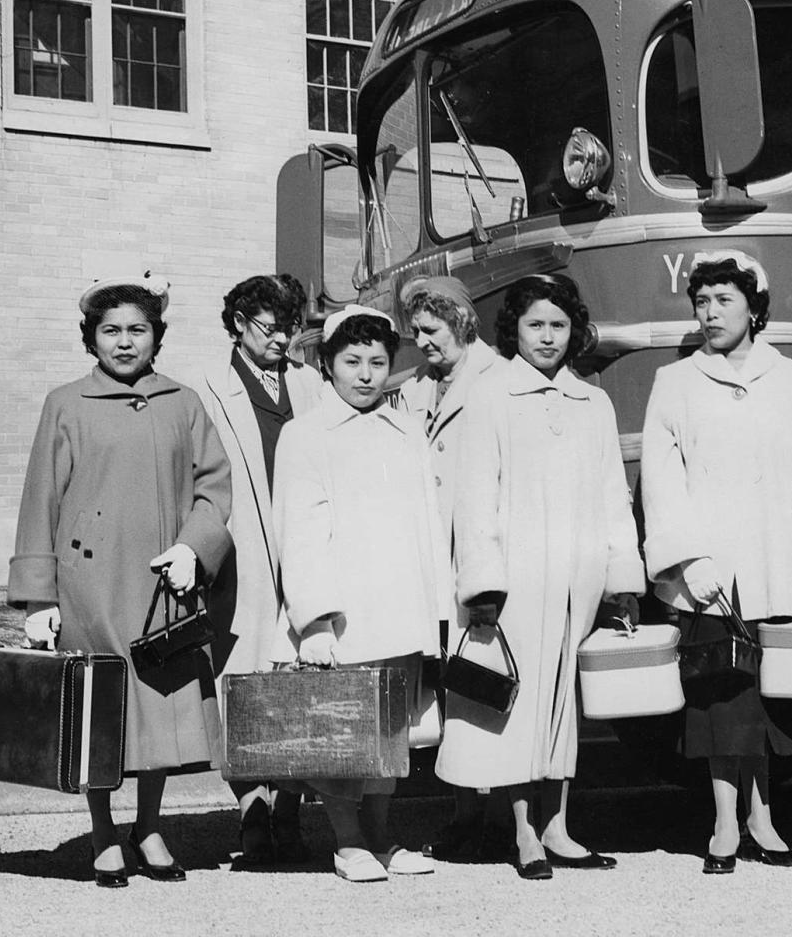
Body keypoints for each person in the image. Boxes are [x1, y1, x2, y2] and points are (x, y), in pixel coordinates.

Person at [9, 274, 232, 888]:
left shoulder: (183, 402)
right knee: (100, 711)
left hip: (164, 588)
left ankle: (150, 825)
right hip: (90, 586)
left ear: (156, 337)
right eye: (112, 331)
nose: (125, 342)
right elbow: (40, 500)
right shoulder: (65, 403)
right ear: (91, 339)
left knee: (156, 708)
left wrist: (195, 545)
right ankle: (105, 831)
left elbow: (215, 488)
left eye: (138, 330)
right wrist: (38, 597)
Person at [640, 250, 792, 873]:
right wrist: (687, 561)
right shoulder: (674, 383)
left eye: (723, 300)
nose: (710, 313)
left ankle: (764, 818)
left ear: (754, 307)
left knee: (766, 703)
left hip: (776, 566)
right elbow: (661, 481)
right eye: (700, 302)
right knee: (719, 704)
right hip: (711, 576)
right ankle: (725, 825)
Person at [436, 273, 645, 880]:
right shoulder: (491, 394)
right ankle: (524, 831)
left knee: (561, 704)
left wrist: (619, 579)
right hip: (514, 583)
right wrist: (484, 585)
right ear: (515, 330)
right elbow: (475, 497)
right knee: (519, 707)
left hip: (577, 581)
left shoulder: (593, 401)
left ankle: (558, 826)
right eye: (536, 325)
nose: (548, 337)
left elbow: (613, 495)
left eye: (558, 325)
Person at [273, 304, 449, 883]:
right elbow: (299, 531)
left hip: (401, 607)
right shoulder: (305, 435)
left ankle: (382, 836)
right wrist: (315, 619)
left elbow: (428, 522)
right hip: (345, 614)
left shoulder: (405, 430)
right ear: (328, 365)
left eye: (377, 361)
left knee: (391, 733)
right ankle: (347, 840)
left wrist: (437, 610)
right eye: (352, 362)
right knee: (342, 731)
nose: (367, 374)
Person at [199, 273, 325, 869]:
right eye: (269, 327)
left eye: (289, 327)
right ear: (237, 325)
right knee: (243, 683)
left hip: (300, 546)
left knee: (298, 682)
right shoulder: (206, 387)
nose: (282, 338)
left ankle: (290, 813)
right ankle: (251, 810)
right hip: (242, 555)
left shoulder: (311, 382)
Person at [394, 274, 505, 862]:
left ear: (461, 322)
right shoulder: (415, 388)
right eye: (416, 332)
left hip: (480, 559)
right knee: (450, 689)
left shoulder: (500, 380)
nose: (421, 341)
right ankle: (466, 812)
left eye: (430, 329)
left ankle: (500, 816)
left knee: (485, 688)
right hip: (433, 559)